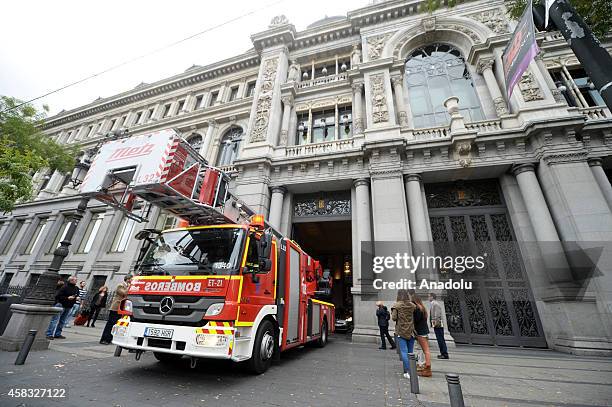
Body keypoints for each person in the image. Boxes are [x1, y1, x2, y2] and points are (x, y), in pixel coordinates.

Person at [391, 290, 416, 379]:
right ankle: (413, 371)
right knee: (410, 352)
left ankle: (407, 371)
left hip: (401, 331)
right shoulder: (412, 306)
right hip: (411, 331)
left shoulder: (396, 306)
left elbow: (394, 318)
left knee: (404, 352)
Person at [100, 275, 132, 345]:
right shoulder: (121, 285)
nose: (132, 280)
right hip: (116, 307)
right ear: (127, 279)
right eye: (131, 279)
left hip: (122, 308)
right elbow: (124, 293)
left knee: (116, 324)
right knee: (111, 323)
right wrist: (130, 287)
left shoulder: (127, 286)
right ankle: (104, 339)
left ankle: (110, 338)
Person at [412, 293, 432, 377]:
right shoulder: (423, 308)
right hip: (424, 331)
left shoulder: (417, 309)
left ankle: (427, 368)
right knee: (422, 349)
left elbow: (416, 320)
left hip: (420, 331)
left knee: (426, 350)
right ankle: (422, 365)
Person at [429, 293, 449, 359]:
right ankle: (442, 353)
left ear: (432, 297)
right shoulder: (433, 304)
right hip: (437, 324)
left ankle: (444, 354)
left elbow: (437, 316)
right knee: (439, 339)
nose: (428, 298)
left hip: (438, 325)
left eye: (429, 297)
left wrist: (434, 324)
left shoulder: (435, 304)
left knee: (440, 339)